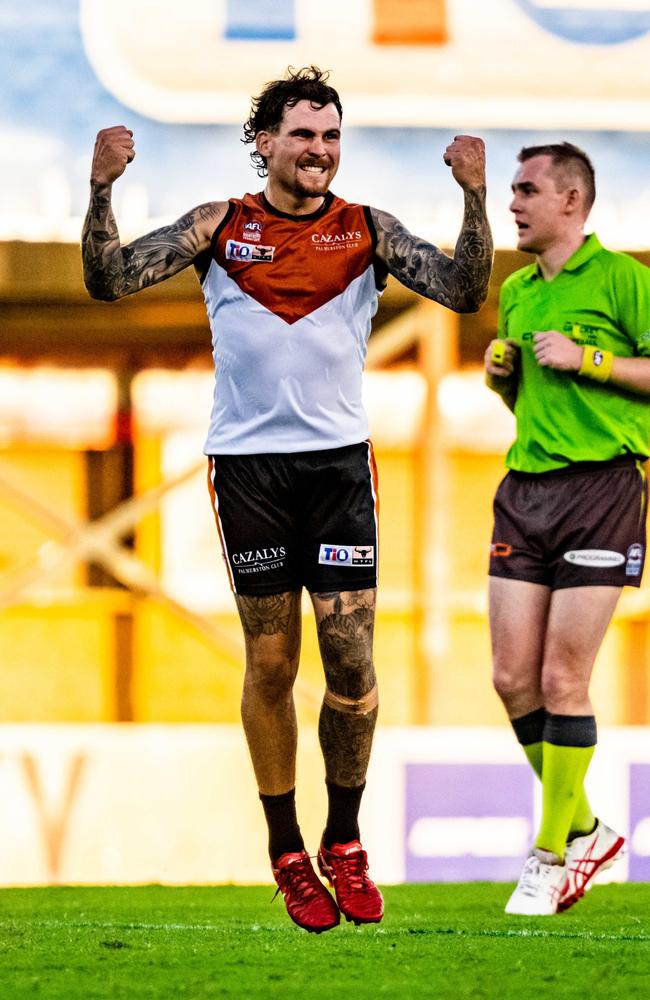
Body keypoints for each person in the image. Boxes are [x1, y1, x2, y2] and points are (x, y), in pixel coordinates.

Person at [82, 66, 493, 932]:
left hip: (338, 471)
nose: (320, 151)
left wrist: (475, 199)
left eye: (332, 136)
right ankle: (288, 854)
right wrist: (100, 191)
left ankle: (345, 843)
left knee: (352, 665)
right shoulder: (218, 226)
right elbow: (107, 281)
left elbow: (462, 291)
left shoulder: (367, 231)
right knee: (272, 665)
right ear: (263, 142)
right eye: (304, 135)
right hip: (250, 472)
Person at [485, 142, 650, 916]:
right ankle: (587, 828)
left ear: (572, 202)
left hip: (603, 491)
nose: (512, 202)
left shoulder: (624, 279)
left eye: (526, 190)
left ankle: (551, 855)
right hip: (525, 490)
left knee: (562, 682)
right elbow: (534, 409)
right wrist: (502, 385)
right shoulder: (516, 292)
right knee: (513, 679)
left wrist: (588, 357)